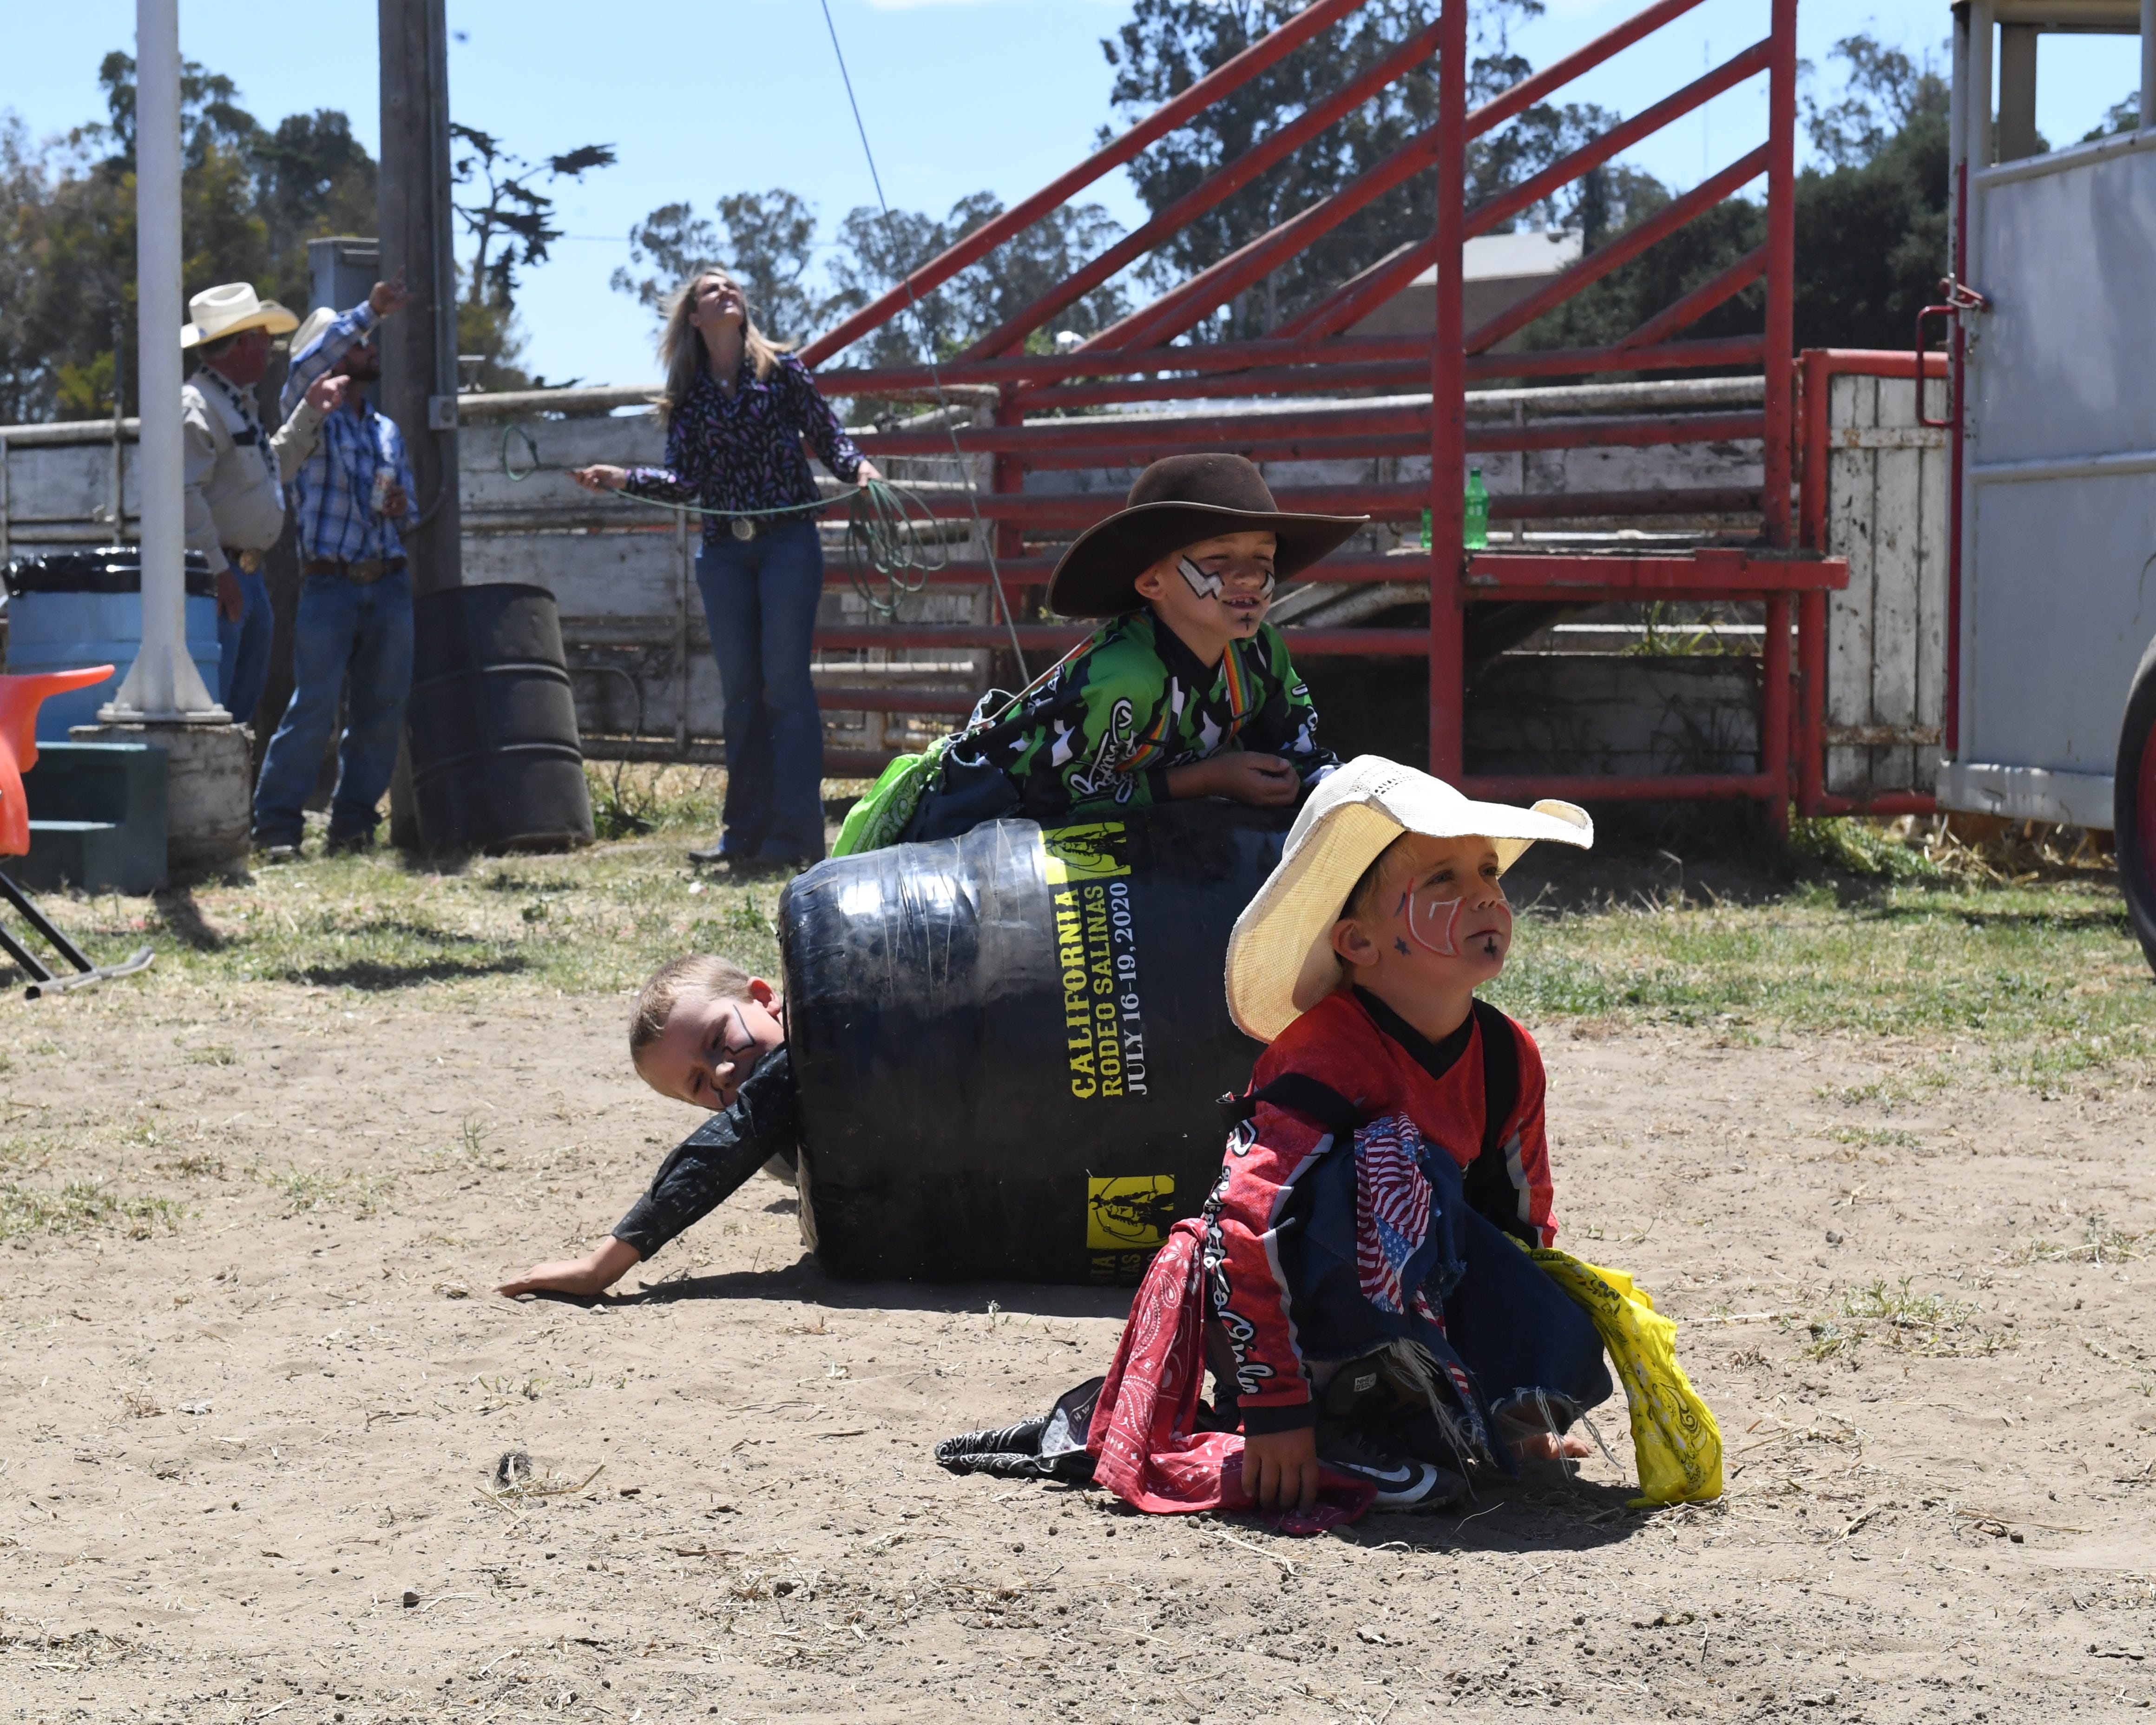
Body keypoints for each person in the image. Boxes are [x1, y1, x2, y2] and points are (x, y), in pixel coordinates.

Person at [1083, 756, 1618, 1522]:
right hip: (1297, 1335)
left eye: (1489, 871)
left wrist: (1525, 1406)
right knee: (1399, 1163)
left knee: (1566, 1316)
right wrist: (1276, 1411)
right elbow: (1244, 1225)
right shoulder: (1322, 1054)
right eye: (1443, 881)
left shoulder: (1509, 1056)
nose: (1486, 897)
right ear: (1359, 943)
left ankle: (1422, 1423)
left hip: (1415, 1302)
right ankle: (1335, 1427)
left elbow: (1521, 1231)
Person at [571, 270, 881, 870]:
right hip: (724, 552)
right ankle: (743, 833)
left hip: (787, 543)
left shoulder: (781, 372)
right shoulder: (688, 391)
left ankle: (794, 837)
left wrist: (858, 471)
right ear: (694, 317)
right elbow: (685, 480)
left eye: (732, 287)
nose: (726, 292)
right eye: (711, 291)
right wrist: (623, 478)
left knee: (785, 686)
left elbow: (827, 433)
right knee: (742, 694)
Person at [891, 454, 1358, 847]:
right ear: (1152, 583)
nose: (1250, 578)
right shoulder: (1123, 679)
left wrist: (1350, 797)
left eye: (1263, 559)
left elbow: (1301, 753)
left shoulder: (1260, 656)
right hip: (972, 839)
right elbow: (1052, 800)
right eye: (1218, 559)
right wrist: (1210, 779)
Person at [496, 955, 800, 1300]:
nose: (721, 1073)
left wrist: (600, 1268)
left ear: (763, 998)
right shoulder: (763, 1122)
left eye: (717, 1040)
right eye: (699, 1083)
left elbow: (716, 1154)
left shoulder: (827, 1023)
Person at [250, 277, 416, 859]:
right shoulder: (311, 414)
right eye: (359, 344)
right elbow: (304, 362)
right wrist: (368, 312)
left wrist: (400, 508)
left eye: (368, 343)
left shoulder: (385, 430)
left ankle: (352, 826)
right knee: (314, 707)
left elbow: (409, 508)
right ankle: (276, 827)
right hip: (329, 582)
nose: (369, 351)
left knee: (381, 708)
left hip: (386, 578)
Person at [178, 282, 350, 726]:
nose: (270, 349)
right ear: (242, 343)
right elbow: (183, 495)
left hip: (243, 577)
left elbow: (273, 468)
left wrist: (310, 412)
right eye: (263, 338)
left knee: (237, 708)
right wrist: (219, 572)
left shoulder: (231, 404)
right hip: (223, 579)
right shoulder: (197, 405)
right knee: (219, 710)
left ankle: (231, 796)